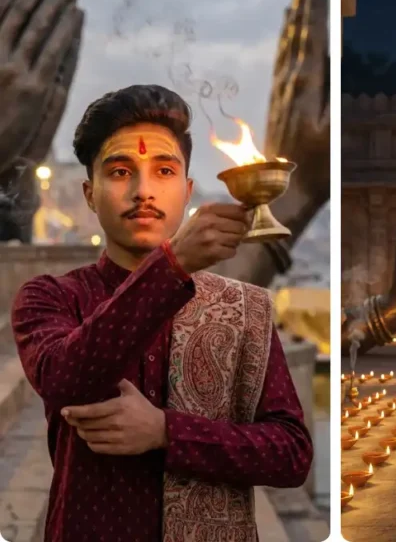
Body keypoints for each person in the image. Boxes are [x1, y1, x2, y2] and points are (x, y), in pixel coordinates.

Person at [10, 85, 313, 541]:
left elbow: (292, 454)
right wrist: (171, 268)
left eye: (164, 170)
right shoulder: (51, 298)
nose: (143, 191)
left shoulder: (244, 308)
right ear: (90, 194)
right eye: (119, 171)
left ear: (188, 191)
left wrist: (167, 432)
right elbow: (65, 381)